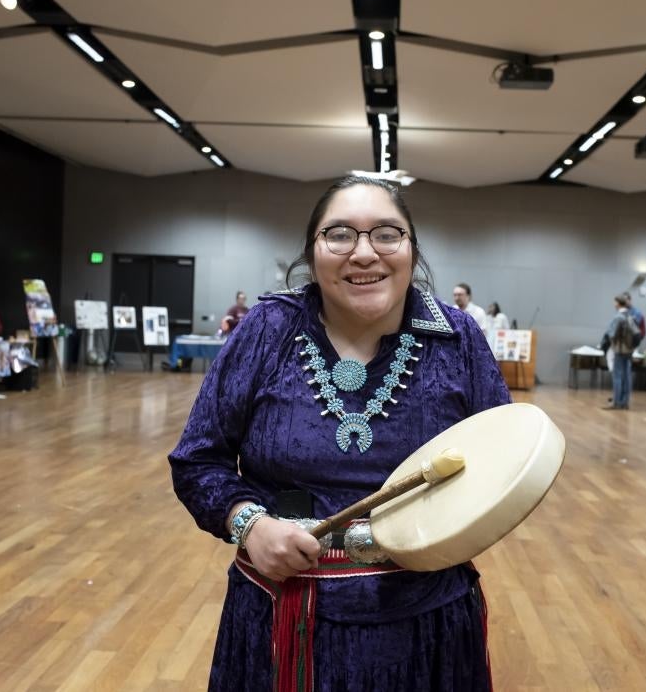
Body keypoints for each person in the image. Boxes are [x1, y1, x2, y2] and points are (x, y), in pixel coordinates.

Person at [168, 176, 510, 691]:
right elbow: (199, 460)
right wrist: (251, 526)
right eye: (340, 234)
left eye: (387, 234)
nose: (365, 253)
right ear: (312, 252)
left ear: (412, 251)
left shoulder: (458, 338)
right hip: (283, 619)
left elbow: (498, 460)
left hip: (427, 623)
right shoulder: (267, 330)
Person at [604, 295, 637, 410]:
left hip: (619, 349)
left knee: (617, 376)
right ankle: (625, 402)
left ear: (618, 303)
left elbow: (611, 334)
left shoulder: (618, 317)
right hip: (629, 350)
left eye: (615, 302)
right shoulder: (631, 316)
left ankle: (616, 402)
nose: (614, 304)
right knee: (627, 376)